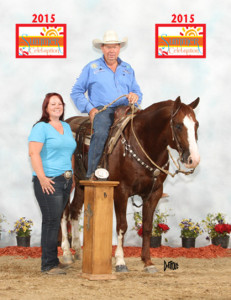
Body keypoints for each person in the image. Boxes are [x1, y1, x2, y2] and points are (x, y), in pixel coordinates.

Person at [70, 30, 142, 179]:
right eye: (108, 47)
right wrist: (90, 109)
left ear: (119, 48)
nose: (111, 50)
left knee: (146, 129)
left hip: (128, 109)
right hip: (105, 110)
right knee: (101, 133)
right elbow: (76, 92)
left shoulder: (127, 68)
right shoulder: (92, 67)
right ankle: (92, 174)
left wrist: (135, 96)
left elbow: (137, 92)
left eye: (114, 47)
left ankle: (147, 176)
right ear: (102, 48)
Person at [28, 93, 77, 275]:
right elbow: (33, 153)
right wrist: (41, 178)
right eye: (53, 104)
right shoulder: (41, 127)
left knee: (55, 221)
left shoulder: (65, 126)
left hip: (64, 181)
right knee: (51, 222)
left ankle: (53, 260)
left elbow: (70, 152)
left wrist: (71, 176)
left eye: (60, 104)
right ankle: (48, 265)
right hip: (48, 180)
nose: (57, 106)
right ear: (46, 108)